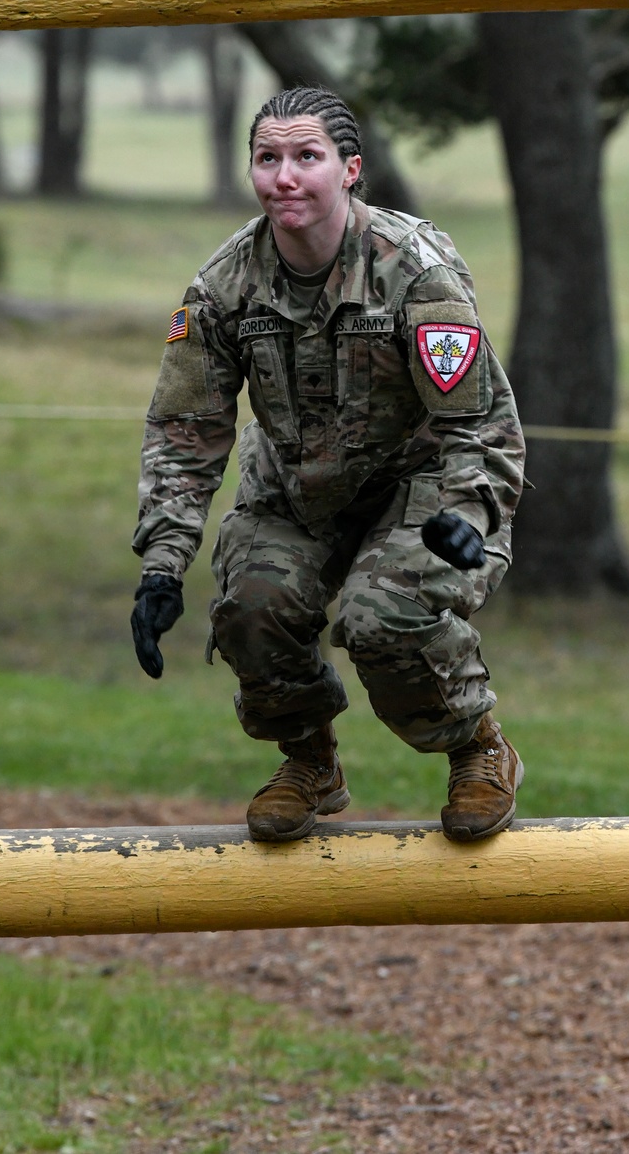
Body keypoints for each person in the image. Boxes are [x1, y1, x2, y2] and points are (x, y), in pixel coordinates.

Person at [130, 86, 525, 844]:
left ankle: (479, 750)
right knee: (249, 611)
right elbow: (186, 429)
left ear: (349, 170)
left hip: (421, 490)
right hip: (295, 491)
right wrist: (162, 564)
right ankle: (310, 762)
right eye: (267, 158)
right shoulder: (223, 287)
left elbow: (479, 419)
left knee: (382, 619)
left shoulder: (415, 270)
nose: (285, 177)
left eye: (306, 157)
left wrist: (470, 513)